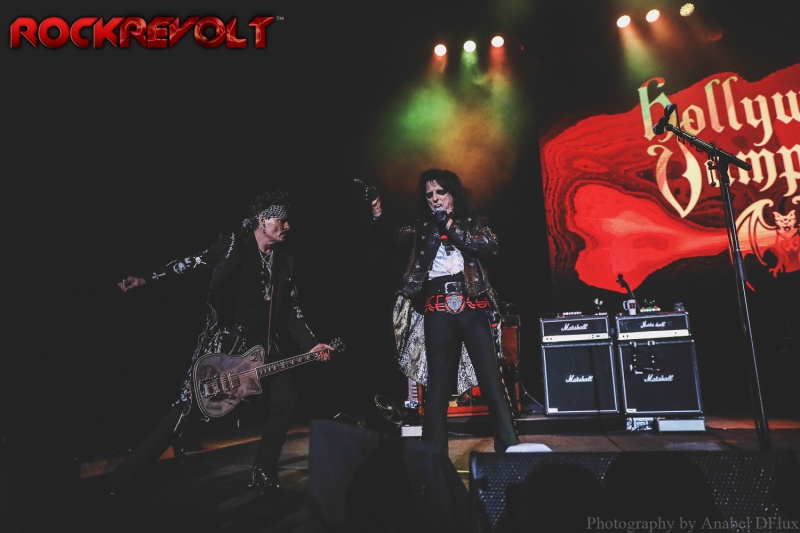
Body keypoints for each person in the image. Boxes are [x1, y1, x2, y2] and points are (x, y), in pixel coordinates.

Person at [110, 191, 333, 495]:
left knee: (287, 398)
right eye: (281, 219)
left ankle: (263, 470)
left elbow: (293, 310)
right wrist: (148, 278)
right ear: (262, 220)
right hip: (225, 344)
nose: (287, 225)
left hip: (264, 347)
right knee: (186, 409)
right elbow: (192, 263)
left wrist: (311, 344)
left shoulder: (285, 263)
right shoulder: (233, 245)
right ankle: (121, 480)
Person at [367, 169, 519, 454]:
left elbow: (490, 247)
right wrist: (377, 211)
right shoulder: (423, 229)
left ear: (453, 194)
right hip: (437, 311)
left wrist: (448, 224)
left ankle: (511, 452)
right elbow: (393, 239)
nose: (435, 199)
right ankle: (432, 458)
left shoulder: (474, 222)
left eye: (440, 192)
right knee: (437, 389)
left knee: (492, 385)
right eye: (429, 195)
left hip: (473, 308)